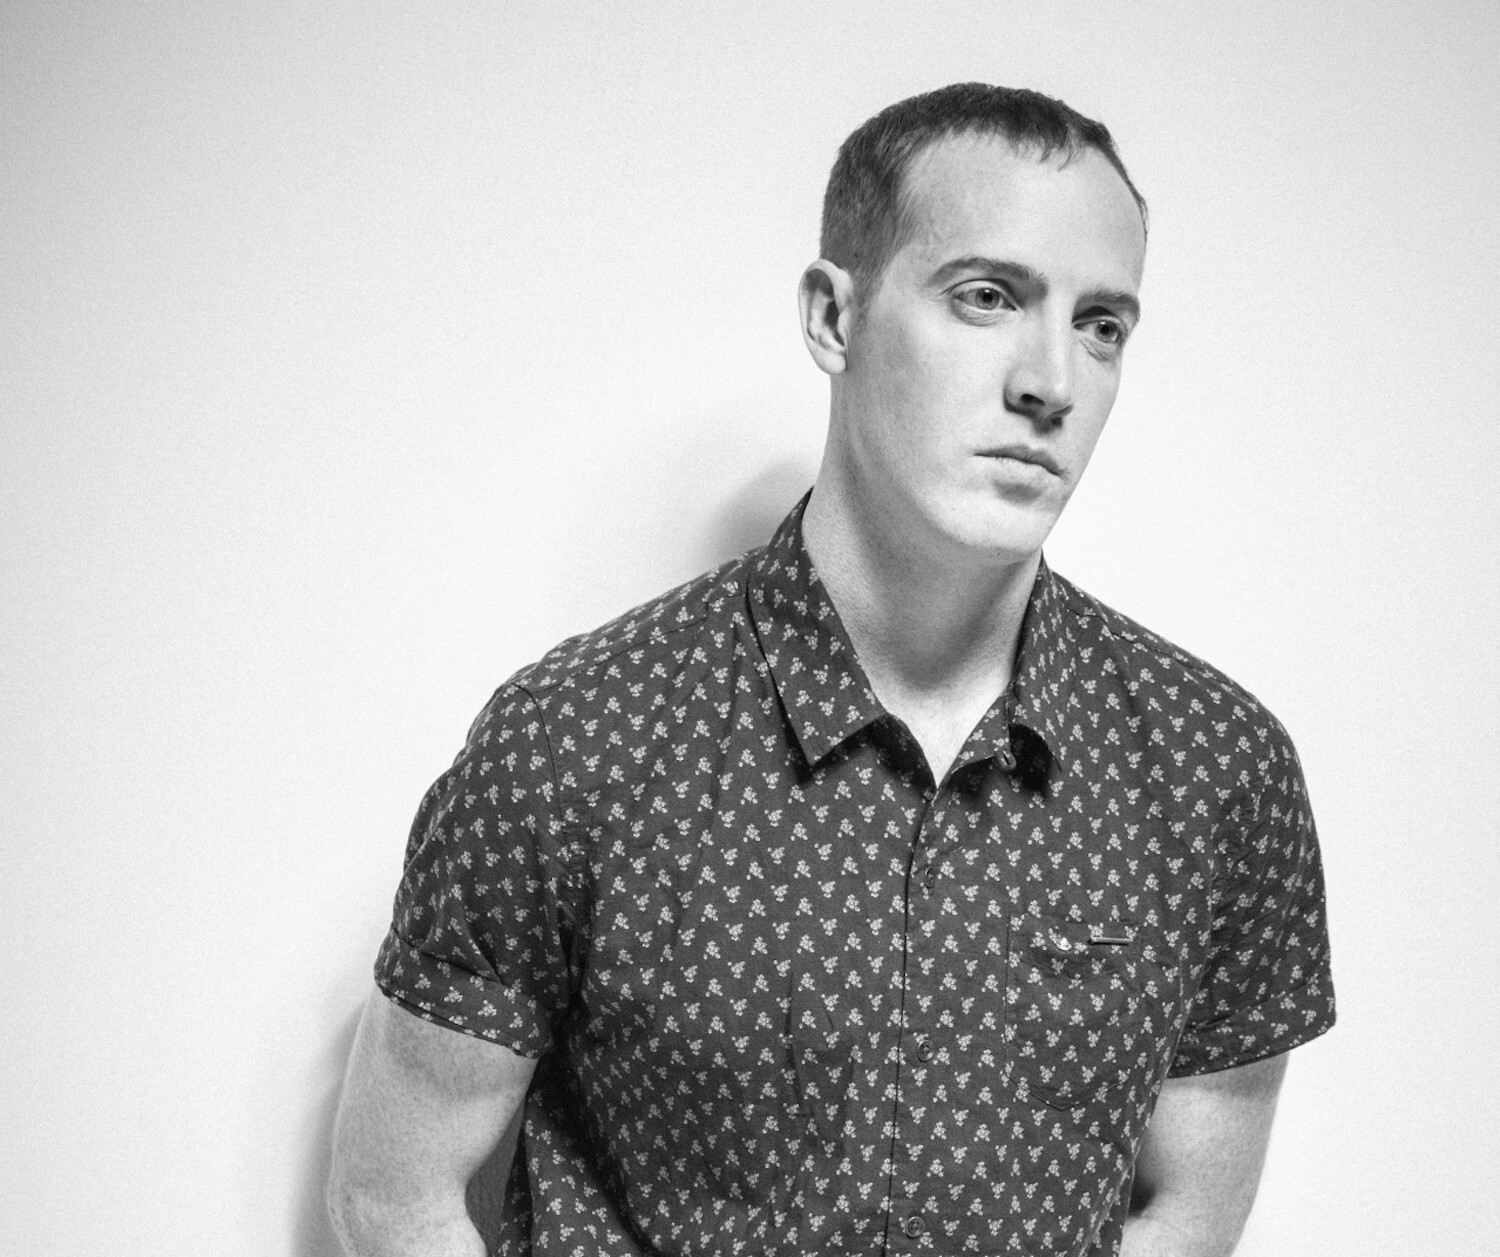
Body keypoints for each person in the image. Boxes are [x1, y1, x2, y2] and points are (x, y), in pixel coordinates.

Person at [327, 83, 1334, 1257]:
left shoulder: (1215, 771)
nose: (1052, 382)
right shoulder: (578, 741)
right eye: (987, 297)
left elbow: (1190, 1209)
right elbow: (394, 1198)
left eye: (1102, 323)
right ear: (833, 317)